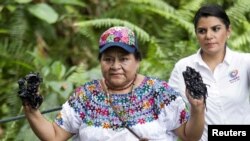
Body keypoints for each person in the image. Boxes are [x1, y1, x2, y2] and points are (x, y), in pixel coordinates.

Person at [21, 26, 205, 141]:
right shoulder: (86, 95)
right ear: (100, 61)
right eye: (108, 59)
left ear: (137, 60)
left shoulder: (159, 92)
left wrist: (197, 107)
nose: (115, 66)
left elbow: (190, 136)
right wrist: (31, 109)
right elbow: (54, 136)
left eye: (124, 59)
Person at [168, 4, 250, 141]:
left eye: (216, 29)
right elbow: (171, 116)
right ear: (196, 34)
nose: (209, 36)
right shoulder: (182, 68)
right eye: (202, 31)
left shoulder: (245, 62)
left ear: (228, 31)